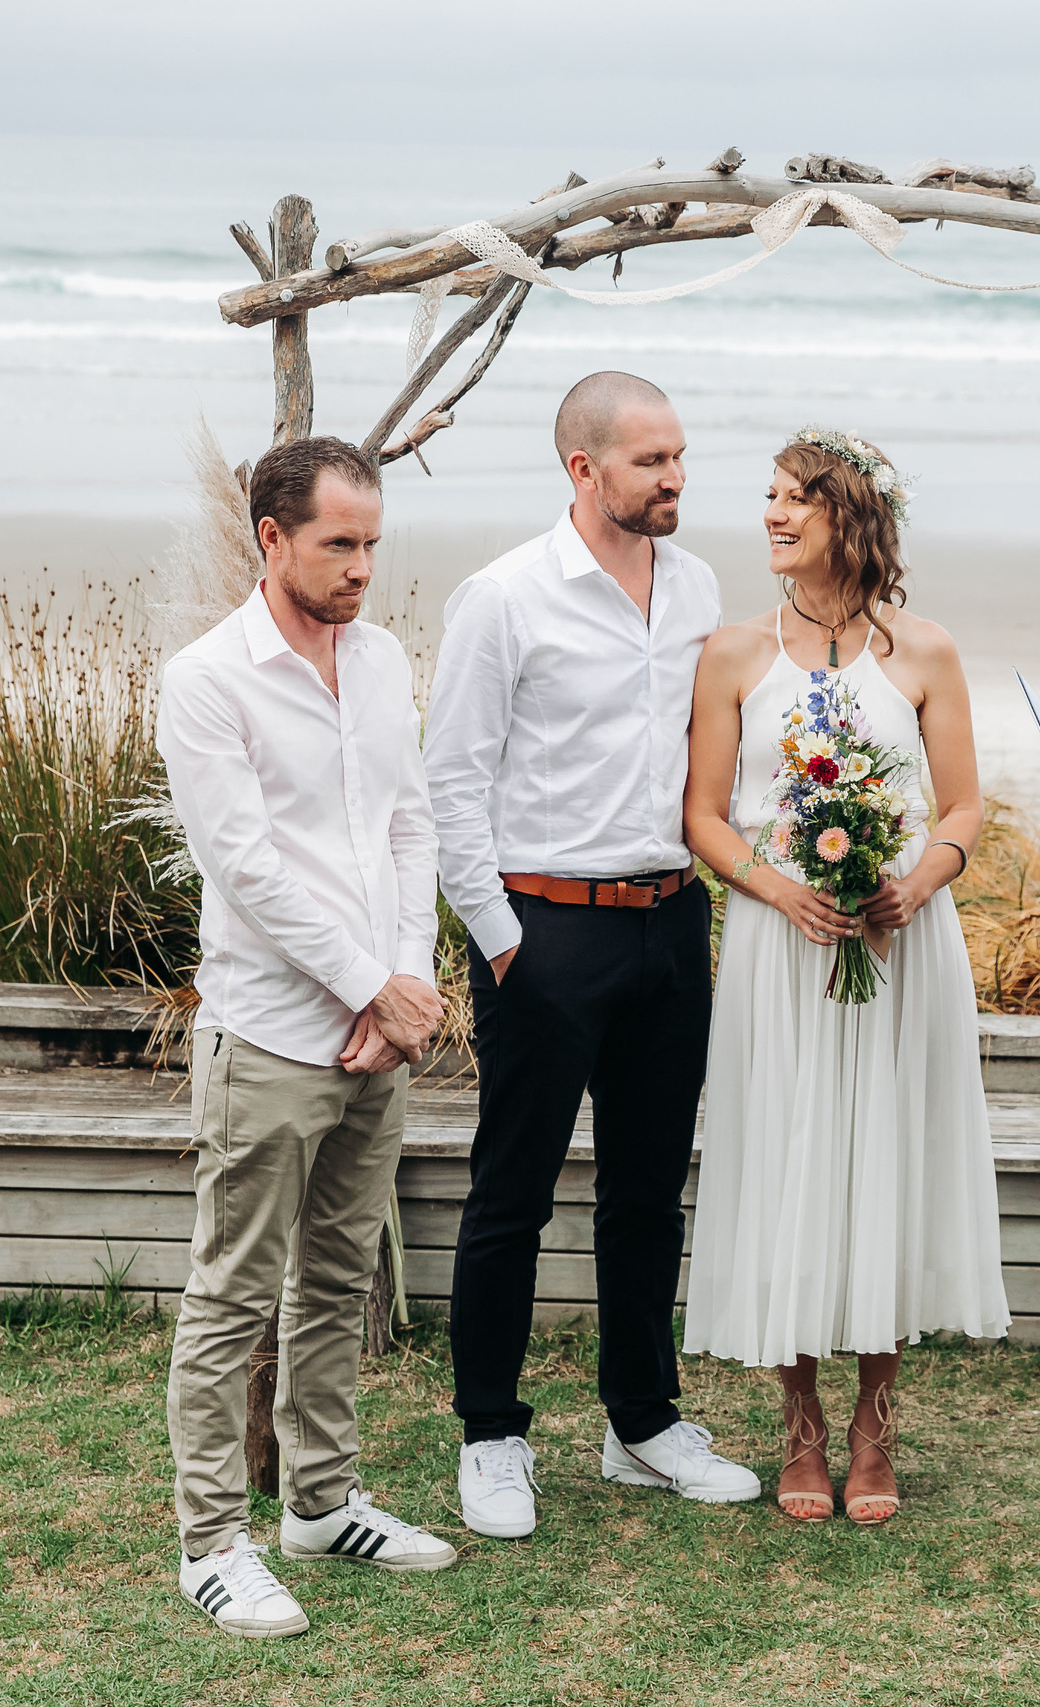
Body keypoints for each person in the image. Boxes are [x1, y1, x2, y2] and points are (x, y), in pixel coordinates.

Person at [423, 371, 761, 1541]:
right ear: (583, 469)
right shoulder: (504, 598)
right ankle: (490, 1436)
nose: (674, 480)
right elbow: (451, 784)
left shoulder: (700, 585)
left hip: (671, 922)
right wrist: (507, 943)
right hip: (545, 928)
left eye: (679, 458)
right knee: (510, 1195)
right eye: (650, 462)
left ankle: (641, 1424)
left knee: (646, 1194)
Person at [156, 435, 458, 1640]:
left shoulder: (380, 660)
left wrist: (410, 982)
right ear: (272, 538)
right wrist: (366, 990)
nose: (361, 568)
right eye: (339, 543)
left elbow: (410, 826)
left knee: (338, 1281)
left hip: (375, 1039)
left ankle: (322, 1504)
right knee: (234, 1293)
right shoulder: (207, 680)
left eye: (373, 543)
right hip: (272, 1036)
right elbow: (248, 868)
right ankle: (211, 1541)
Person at [679, 428, 1011, 1524]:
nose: (773, 516)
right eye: (768, 498)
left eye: (796, 500)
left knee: (882, 1163)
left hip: (899, 945)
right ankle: (800, 1429)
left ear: (852, 518)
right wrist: (778, 893)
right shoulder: (733, 653)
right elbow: (703, 816)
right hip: (785, 951)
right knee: (792, 1163)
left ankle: (874, 1429)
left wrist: (914, 885)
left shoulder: (922, 652)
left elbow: (961, 807)